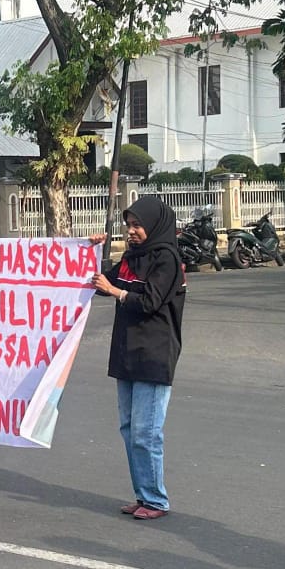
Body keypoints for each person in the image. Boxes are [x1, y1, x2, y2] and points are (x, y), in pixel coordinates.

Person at [89, 196, 186, 520]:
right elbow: (101, 283)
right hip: (127, 353)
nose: (131, 231)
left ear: (154, 225)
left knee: (147, 433)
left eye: (137, 225)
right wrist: (90, 250)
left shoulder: (167, 259)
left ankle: (156, 500)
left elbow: (150, 302)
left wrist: (116, 292)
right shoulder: (132, 257)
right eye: (128, 225)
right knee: (130, 429)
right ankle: (143, 495)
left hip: (154, 355)